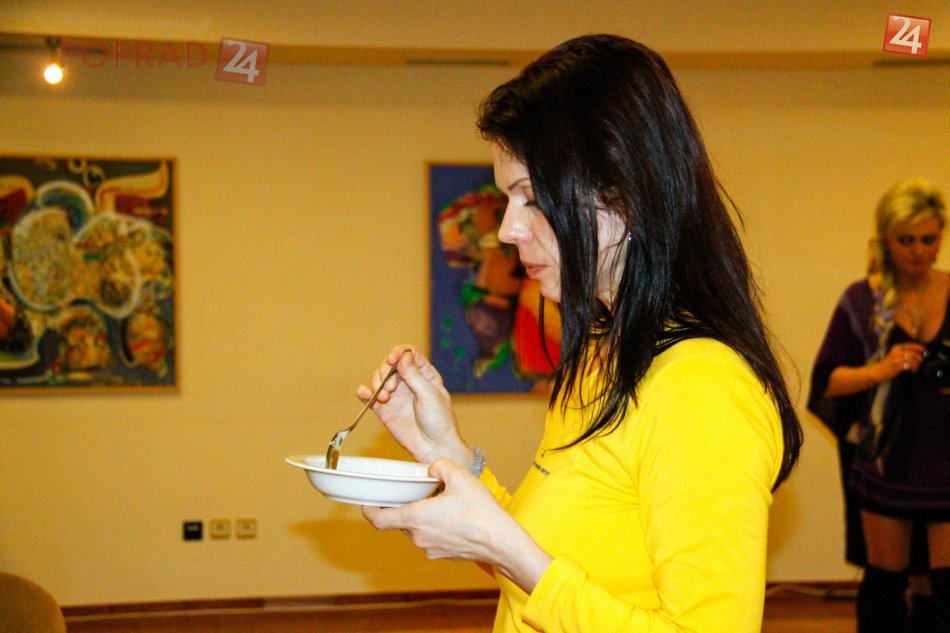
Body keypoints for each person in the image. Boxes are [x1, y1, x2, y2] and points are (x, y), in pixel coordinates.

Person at [358, 34, 803, 633]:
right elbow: (552, 567)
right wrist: (446, 453)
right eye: (507, 199)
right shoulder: (605, 352)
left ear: (626, 193)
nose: (508, 230)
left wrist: (505, 549)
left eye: (530, 197)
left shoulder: (703, 388)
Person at [808, 178, 949, 633]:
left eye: (928, 239)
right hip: (887, 464)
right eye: (906, 240)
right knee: (885, 586)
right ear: (886, 239)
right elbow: (827, 382)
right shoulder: (859, 299)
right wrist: (880, 370)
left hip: (947, 464)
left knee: (946, 592)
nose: (918, 251)